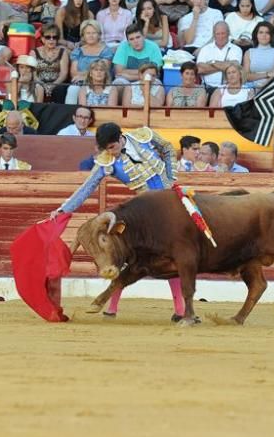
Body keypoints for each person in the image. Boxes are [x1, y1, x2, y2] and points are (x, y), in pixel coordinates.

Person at [49, 122, 187, 321]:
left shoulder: (143, 135)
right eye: (106, 149)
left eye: (112, 147)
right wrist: (63, 210)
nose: (111, 153)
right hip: (145, 212)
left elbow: (167, 148)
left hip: (172, 202)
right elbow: (86, 188)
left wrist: (171, 177)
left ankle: (180, 310)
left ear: (121, 138)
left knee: (174, 255)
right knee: (126, 259)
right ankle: (112, 307)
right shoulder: (106, 162)